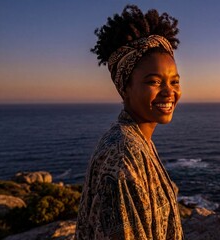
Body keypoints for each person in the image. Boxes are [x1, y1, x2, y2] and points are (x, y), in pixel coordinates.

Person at [76, 5, 183, 240]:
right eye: (154, 82)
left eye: (174, 82)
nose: (169, 92)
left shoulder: (137, 140)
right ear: (125, 89)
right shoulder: (124, 156)